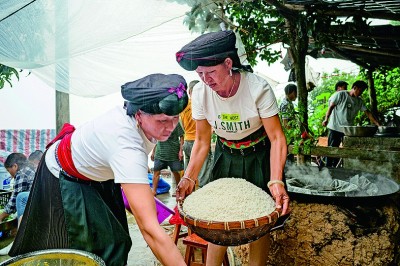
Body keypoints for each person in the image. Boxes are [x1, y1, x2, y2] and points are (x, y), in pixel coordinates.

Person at [9, 73, 188, 266]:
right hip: (64, 173)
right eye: (162, 121)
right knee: (91, 248)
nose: (170, 128)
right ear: (138, 115)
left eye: (175, 119)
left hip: (99, 174)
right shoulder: (124, 143)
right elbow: (149, 229)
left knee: (118, 240)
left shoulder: (141, 125)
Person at [175, 30, 290, 266]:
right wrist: (189, 177)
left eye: (211, 72)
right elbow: (202, 141)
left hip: (259, 154)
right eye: (200, 74)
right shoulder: (199, 93)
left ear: (228, 64)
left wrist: (276, 180)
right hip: (225, 155)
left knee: (260, 219)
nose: (207, 80)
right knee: (218, 215)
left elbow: (277, 138)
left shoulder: (258, 88)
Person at [322, 80, 380, 167]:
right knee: (332, 150)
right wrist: (326, 119)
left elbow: (367, 113)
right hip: (335, 128)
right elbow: (331, 107)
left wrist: (378, 124)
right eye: (360, 90)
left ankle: (337, 170)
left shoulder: (359, 101)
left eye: (362, 91)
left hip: (348, 130)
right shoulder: (340, 94)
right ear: (354, 88)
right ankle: (328, 170)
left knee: (343, 151)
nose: (361, 93)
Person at [0, 153, 36, 256]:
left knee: (21, 198)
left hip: (37, 206)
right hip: (40, 204)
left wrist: (1, 217)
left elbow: (14, 199)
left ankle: (19, 242)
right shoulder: (30, 169)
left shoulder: (22, 173)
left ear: (15, 166)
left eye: (8, 170)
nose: (9, 174)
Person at [180, 79, 213, 187]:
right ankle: (204, 194)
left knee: (189, 173)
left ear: (189, 92)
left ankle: (187, 196)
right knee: (204, 173)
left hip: (187, 141)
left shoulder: (183, 107)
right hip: (199, 142)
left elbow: (182, 126)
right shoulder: (202, 105)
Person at [150, 122, 184, 196]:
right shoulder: (158, 122)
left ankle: (178, 190)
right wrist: (153, 152)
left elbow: (181, 137)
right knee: (156, 172)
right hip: (160, 153)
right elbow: (155, 139)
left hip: (173, 152)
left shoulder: (176, 122)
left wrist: (181, 151)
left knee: (176, 172)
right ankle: (154, 192)